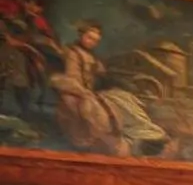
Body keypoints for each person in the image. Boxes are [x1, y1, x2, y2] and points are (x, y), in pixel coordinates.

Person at [51, 20, 174, 158]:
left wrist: (117, 81)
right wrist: (84, 91)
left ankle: (145, 131)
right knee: (119, 100)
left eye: (95, 40)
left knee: (125, 97)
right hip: (77, 92)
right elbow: (72, 77)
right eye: (89, 38)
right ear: (81, 35)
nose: (92, 42)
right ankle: (144, 132)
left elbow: (102, 73)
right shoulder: (73, 53)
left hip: (92, 92)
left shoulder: (91, 56)